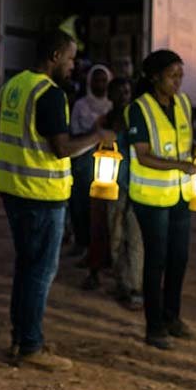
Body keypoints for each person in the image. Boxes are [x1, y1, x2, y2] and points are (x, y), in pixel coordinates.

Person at [0, 30, 115, 371]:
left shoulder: (13, 86)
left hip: (13, 189)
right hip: (40, 194)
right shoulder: (49, 94)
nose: (74, 65)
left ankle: (22, 337)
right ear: (55, 56)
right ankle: (31, 345)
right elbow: (61, 148)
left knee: (25, 266)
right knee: (40, 272)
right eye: (71, 58)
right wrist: (97, 136)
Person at [126, 50, 196, 350]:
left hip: (180, 195)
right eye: (172, 76)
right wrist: (181, 165)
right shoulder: (139, 109)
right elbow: (143, 155)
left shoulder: (183, 103)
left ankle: (173, 318)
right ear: (154, 77)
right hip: (151, 198)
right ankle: (155, 327)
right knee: (156, 260)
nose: (178, 81)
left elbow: (183, 141)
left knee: (179, 258)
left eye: (180, 76)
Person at [101, 78, 144, 310]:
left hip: (135, 186)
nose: (124, 96)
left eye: (127, 91)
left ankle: (135, 287)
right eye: (119, 92)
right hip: (113, 186)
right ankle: (122, 282)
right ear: (110, 96)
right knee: (116, 235)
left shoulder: (135, 119)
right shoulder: (106, 121)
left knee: (134, 237)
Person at [69, 65, 113, 256]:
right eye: (97, 80)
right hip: (83, 160)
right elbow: (73, 132)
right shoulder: (81, 105)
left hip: (107, 161)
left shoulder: (112, 105)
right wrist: (95, 131)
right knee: (80, 203)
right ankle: (81, 242)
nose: (100, 84)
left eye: (104, 80)